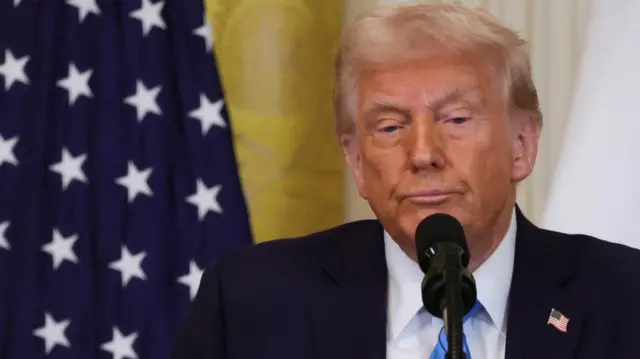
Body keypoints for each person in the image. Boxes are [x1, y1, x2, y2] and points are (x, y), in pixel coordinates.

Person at [171, 4, 640, 359]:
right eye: (391, 127)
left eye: (456, 119)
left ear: (523, 145)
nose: (422, 154)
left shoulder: (625, 300)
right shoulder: (249, 305)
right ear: (356, 161)